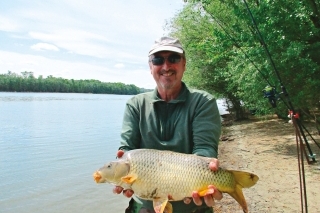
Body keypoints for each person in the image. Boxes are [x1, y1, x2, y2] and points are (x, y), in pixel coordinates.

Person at [113, 36, 222, 213]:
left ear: (184, 64)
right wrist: (121, 172)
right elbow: (127, 150)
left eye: (173, 58)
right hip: (145, 207)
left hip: (193, 207)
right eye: (158, 60)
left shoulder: (203, 102)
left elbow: (205, 149)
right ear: (150, 67)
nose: (166, 66)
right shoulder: (135, 105)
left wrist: (206, 176)